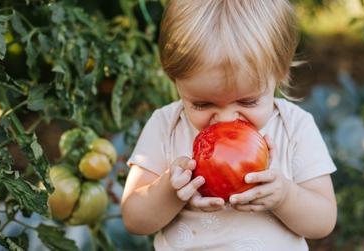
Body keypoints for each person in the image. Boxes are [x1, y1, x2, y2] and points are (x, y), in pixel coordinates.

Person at [121, 0, 337, 250]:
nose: (225, 120)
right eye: (202, 104)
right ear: (176, 82)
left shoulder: (295, 127)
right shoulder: (166, 126)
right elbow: (134, 219)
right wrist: (170, 192)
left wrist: (286, 196)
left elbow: (323, 221)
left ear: (279, 75)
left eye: (248, 101)